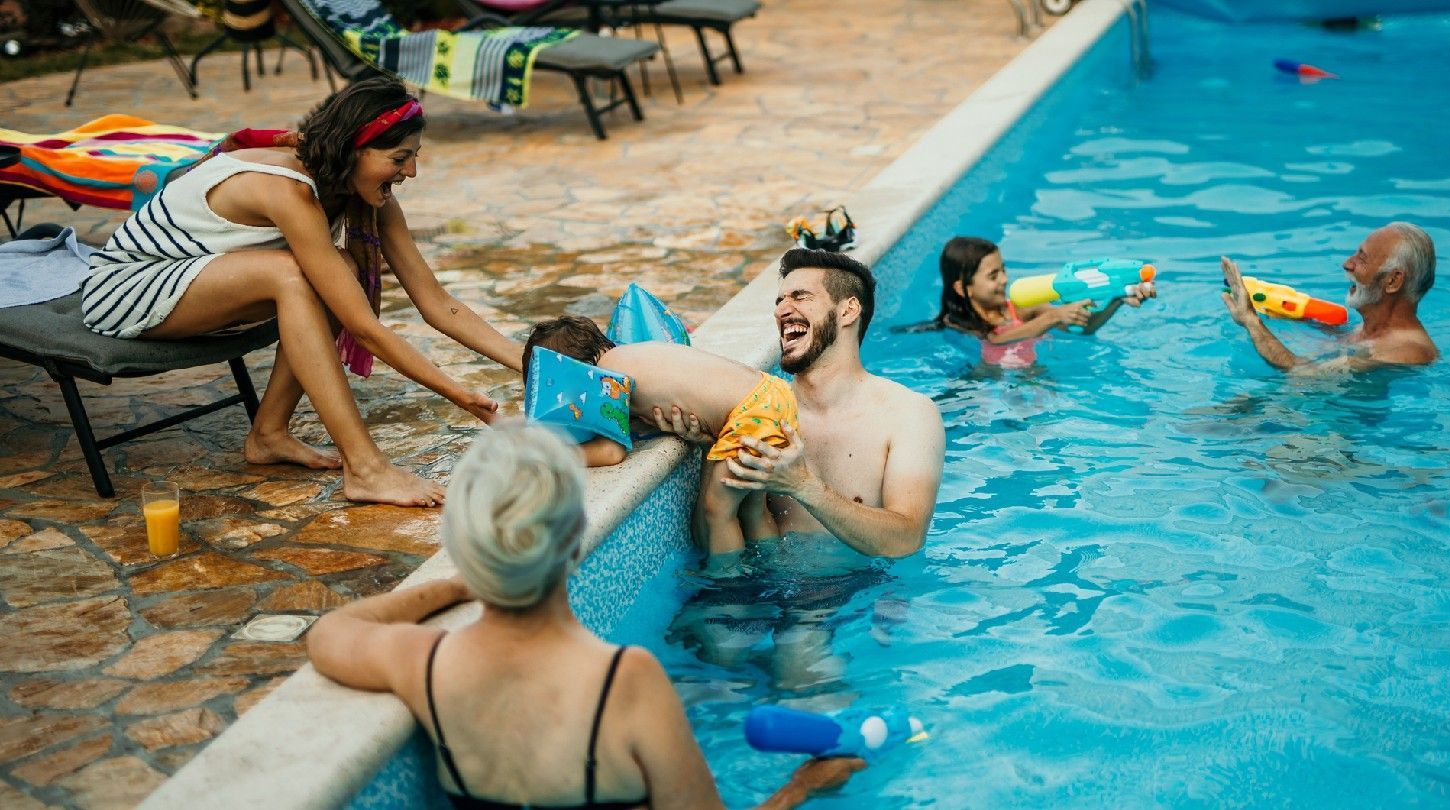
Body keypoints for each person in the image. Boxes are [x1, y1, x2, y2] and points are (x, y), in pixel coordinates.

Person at [306, 420, 864, 809]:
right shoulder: (625, 682)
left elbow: (332, 633)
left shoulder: (425, 664)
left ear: (468, 548)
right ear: (575, 542)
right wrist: (802, 787)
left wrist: (455, 587)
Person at [80, 78, 522, 507]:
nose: (411, 171)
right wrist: (461, 395)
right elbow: (363, 329)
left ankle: (268, 433)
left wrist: (531, 362)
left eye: (414, 156)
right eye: (399, 157)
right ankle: (365, 468)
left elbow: (437, 302)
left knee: (337, 270)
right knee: (294, 274)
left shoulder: (362, 192)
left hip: (199, 286)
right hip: (125, 290)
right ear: (354, 150)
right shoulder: (285, 186)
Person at [662, 248, 946, 560]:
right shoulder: (761, 411)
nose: (782, 310)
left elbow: (906, 539)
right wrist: (711, 452)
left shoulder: (908, 414)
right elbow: (712, 545)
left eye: (800, 296)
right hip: (770, 592)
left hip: (865, 595)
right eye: (779, 301)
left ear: (848, 310)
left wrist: (805, 487)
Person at [522, 315, 793, 560]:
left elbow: (611, 451)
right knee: (751, 508)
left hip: (749, 416)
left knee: (717, 510)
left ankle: (730, 590)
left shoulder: (605, 378)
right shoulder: (632, 355)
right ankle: (777, 566)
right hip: (768, 394)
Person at [1221, 222, 1440, 371]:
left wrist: (1251, 321)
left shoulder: (1405, 351)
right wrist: (1292, 313)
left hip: (1343, 432)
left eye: (1362, 259)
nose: (1347, 264)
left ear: (1392, 281)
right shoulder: (1368, 330)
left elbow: (1302, 374)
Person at [924, 236, 1154, 368]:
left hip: (1033, 377)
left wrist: (1117, 298)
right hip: (983, 385)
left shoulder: (1020, 309)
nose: (1004, 279)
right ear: (962, 288)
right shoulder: (954, 322)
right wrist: (1054, 316)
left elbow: (1084, 328)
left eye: (1003, 270)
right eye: (993, 275)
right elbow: (995, 339)